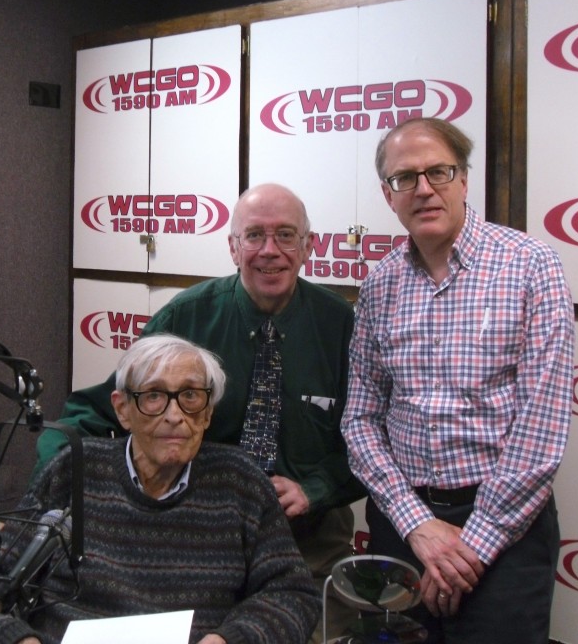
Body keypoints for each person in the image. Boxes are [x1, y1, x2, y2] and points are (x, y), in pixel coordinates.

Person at [35, 182, 364, 642]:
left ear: (309, 246)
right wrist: (56, 485)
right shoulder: (185, 317)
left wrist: (316, 487)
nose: (270, 251)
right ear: (232, 247)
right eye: (254, 236)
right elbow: (103, 409)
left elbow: (374, 441)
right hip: (199, 541)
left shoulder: (344, 326)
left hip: (308, 541)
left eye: (286, 235)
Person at [341, 118, 575, 643]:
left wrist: (472, 546)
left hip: (506, 531)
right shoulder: (378, 286)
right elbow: (359, 421)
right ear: (388, 195)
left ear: (464, 179)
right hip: (404, 525)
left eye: (438, 172)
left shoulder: (530, 266)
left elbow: (542, 430)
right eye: (405, 178)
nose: (423, 189)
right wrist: (418, 526)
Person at [0, 333, 320, 644]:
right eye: (154, 395)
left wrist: (230, 640)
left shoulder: (240, 482)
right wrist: (20, 642)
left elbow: (293, 596)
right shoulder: (73, 471)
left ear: (207, 413)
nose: (175, 415)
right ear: (122, 409)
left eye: (190, 396)